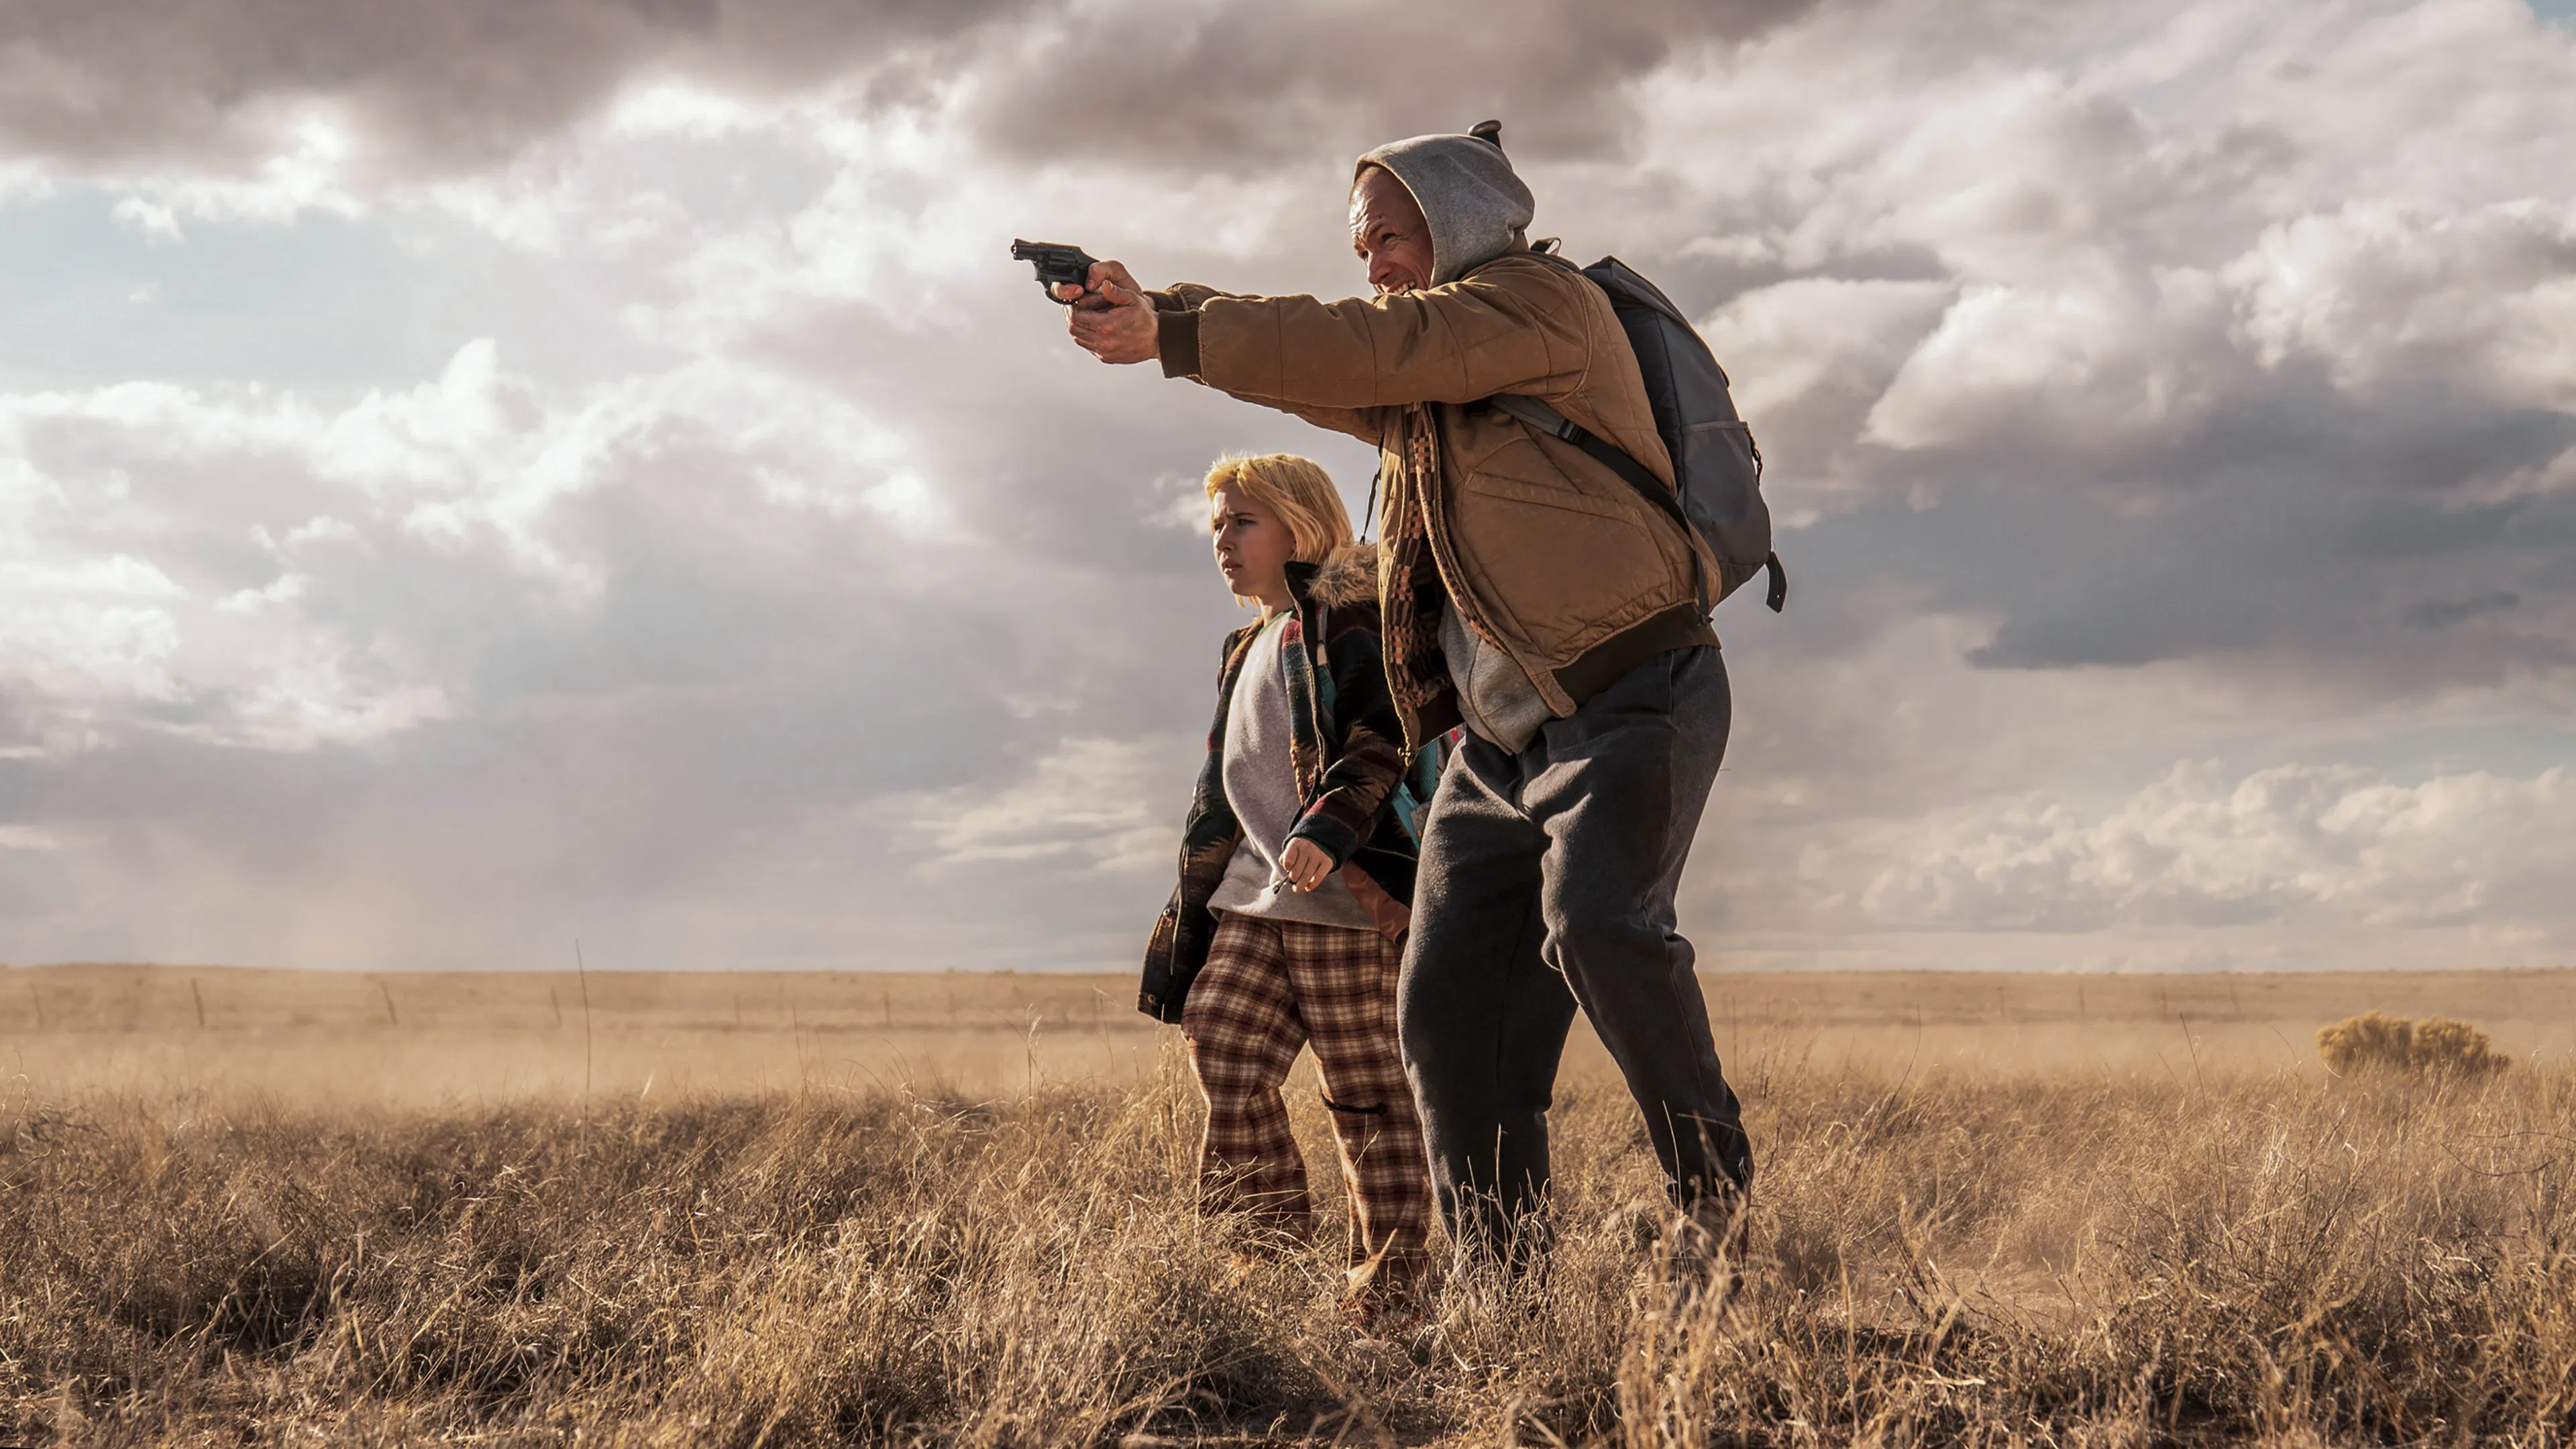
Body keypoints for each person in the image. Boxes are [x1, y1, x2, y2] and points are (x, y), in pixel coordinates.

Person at [1063, 123, 1753, 1273]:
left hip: (1634, 689)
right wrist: (1162, 311)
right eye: (1361, 247)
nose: (1374, 263)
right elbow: (1329, 365)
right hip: (1498, 744)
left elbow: (1373, 346)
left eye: (1391, 235)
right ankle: (1503, 1293)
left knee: (1599, 926)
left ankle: (1713, 1205)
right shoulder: (1432, 392)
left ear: (1462, 220)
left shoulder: (1540, 306)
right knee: (1445, 1019)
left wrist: (1173, 332)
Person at [1138, 452, 1435, 1311]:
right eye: (1216, 526)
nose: (1223, 541)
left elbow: (1383, 734)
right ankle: (1263, 1265)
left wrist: (1330, 829)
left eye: (1243, 521)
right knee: (1221, 1041)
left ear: (1300, 525)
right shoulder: (1245, 645)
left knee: (1368, 1099)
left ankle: (1388, 1296)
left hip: (1347, 904)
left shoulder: (1347, 614)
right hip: (1255, 898)